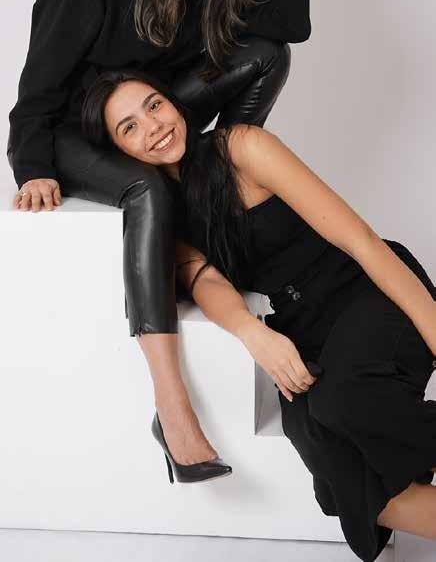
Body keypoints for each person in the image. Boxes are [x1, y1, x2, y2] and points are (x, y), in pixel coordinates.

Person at [7, 0, 311, 479]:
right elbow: (41, 77)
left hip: (148, 116)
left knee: (266, 53)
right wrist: (32, 167)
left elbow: (291, 27)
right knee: (147, 190)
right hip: (77, 126)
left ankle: (217, 183)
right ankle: (171, 409)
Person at [82, 67, 436, 562]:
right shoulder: (158, 211)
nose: (153, 126)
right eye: (130, 127)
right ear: (118, 154)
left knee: (340, 405)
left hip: (367, 290)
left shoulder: (240, 147)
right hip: (302, 327)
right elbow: (206, 281)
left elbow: (361, 241)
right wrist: (253, 333)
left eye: (154, 105)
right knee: (330, 459)